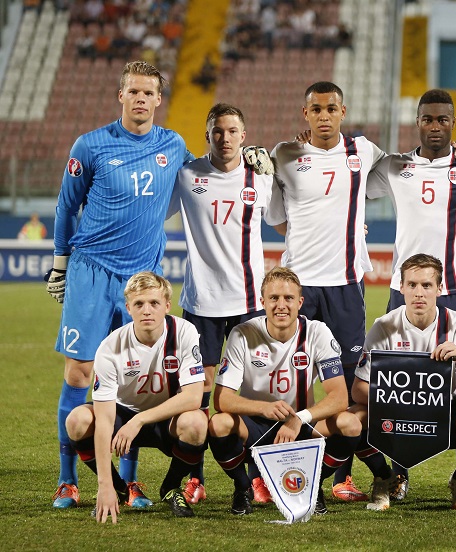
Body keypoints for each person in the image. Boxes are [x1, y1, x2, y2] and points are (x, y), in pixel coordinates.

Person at [47, 60, 189, 510]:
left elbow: (209, 172)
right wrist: (59, 265)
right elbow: (67, 208)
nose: (141, 99)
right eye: (134, 92)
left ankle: (130, 484)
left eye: (149, 92)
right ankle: (68, 479)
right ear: (121, 96)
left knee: (135, 379)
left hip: (140, 280)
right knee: (80, 373)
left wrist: (246, 156)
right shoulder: (90, 146)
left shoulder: (173, 144)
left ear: (159, 99)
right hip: (90, 270)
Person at [364, 88, 456, 501]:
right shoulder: (394, 166)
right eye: (428, 119)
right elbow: (351, 190)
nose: (436, 126)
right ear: (417, 122)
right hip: (402, 292)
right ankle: (397, 471)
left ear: (453, 124)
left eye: (443, 120)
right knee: (398, 385)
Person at [271, 81, 385, 503]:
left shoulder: (364, 151)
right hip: (301, 285)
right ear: (305, 114)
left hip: (345, 285)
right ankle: (281, 469)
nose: (323, 116)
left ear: (343, 111)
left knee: (351, 387)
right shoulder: (285, 155)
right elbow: (277, 219)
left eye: (331, 108)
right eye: (315, 109)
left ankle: (340, 477)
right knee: (296, 381)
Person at [169, 103, 285, 505]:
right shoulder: (186, 175)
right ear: (207, 136)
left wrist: (277, 174)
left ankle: (258, 477)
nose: (225, 138)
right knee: (199, 396)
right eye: (218, 131)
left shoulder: (261, 177)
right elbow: (155, 212)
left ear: (244, 135)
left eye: (233, 131)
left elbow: (287, 219)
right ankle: (194, 479)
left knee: (253, 393)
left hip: (249, 304)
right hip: (201, 304)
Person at [207, 267, 361, 515]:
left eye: (288, 298)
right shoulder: (243, 333)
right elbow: (222, 399)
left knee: (350, 424)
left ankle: (314, 484)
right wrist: (264, 408)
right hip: (255, 425)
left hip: (300, 425)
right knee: (219, 424)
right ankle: (242, 486)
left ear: (300, 302)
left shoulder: (317, 332)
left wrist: (299, 418)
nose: (281, 305)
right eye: (274, 298)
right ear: (262, 301)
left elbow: (340, 397)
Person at [350, 254, 456, 512]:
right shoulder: (384, 326)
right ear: (401, 288)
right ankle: (383, 476)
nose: (419, 293)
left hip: (443, 416)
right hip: (395, 416)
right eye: (413, 285)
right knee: (351, 418)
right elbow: (358, 389)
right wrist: (396, 399)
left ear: (439, 289)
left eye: (427, 286)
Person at [64, 272, 208, 523]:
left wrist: (139, 420)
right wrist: (104, 485)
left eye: (154, 303)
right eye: (139, 304)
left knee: (196, 423)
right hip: (123, 416)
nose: (147, 311)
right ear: (128, 308)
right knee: (77, 421)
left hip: (166, 418)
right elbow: (105, 420)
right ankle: (119, 489)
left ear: (166, 305)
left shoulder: (184, 332)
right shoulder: (111, 347)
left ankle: (171, 488)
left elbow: (193, 397)